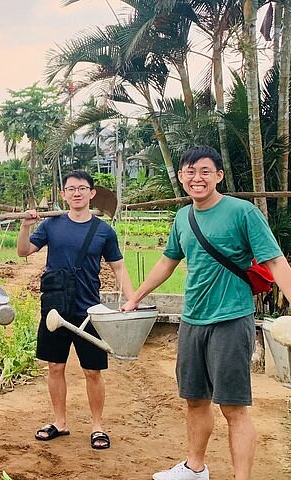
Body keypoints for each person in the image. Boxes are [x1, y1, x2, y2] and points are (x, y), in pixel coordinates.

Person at [121, 145, 291, 480]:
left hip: (230, 320)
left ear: (218, 176)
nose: (196, 178)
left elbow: (275, 260)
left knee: (233, 408)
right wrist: (135, 297)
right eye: (190, 171)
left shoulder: (242, 212)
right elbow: (168, 262)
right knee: (195, 400)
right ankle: (195, 469)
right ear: (181, 176)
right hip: (192, 321)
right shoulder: (182, 217)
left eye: (204, 171)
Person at [17, 170, 133, 450]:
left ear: (92, 194)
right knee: (55, 366)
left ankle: (97, 426)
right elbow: (23, 252)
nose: (77, 193)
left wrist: (132, 300)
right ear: (63, 194)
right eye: (71, 189)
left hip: (89, 309)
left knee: (92, 370)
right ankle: (59, 422)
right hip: (55, 308)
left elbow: (118, 267)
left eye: (82, 188)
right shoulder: (51, 224)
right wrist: (24, 226)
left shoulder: (103, 230)